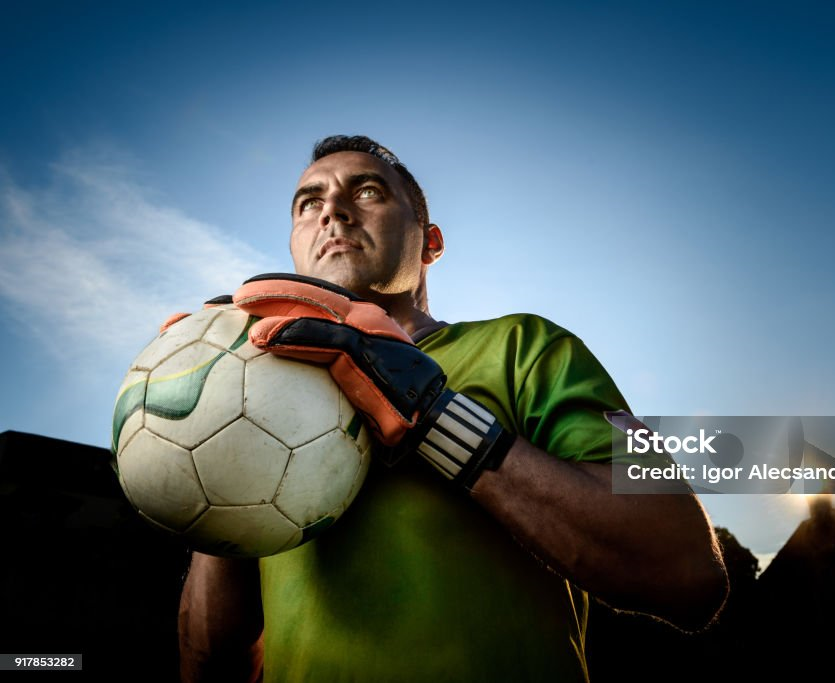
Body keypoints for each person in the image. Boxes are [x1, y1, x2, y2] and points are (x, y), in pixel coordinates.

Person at [178, 135, 728, 682]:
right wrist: (219, 437)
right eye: (309, 203)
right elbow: (209, 666)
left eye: (367, 192)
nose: (333, 213)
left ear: (429, 243)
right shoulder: (263, 389)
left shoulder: (525, 347)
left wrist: (438, 417)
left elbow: (686, 573)